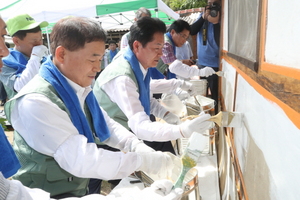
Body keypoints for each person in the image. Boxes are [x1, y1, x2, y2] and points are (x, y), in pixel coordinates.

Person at [4, 16, 181, 199]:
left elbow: (105, 122)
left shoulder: (77, 86)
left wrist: (135, 145)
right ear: (61, 54)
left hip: (75, 187)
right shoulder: (36, 101)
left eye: (101, 59)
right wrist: (141, 161)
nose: (98, 68)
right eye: (92, 59)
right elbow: (81, 159)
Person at [93, 17, 212, 157]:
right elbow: (140, 126)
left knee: (164, 152)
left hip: (127, 128)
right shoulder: (122, 78)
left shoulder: (138, 62)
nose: (161, 54)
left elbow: (145, 97)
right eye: (156, 48)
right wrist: (181, 130)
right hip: (110, 140)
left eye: (162, 48)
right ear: (137, 46)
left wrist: (167, 115)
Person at [0, 13, 49, 100]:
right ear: (16, 41)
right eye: (34, 41)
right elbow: (20, 86)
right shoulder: (5, 62)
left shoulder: (44, 58)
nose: (39, 45)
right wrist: (35, 57)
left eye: (41, 39)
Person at [191, 0, 221, 113]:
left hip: (215, 64)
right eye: (210, 3)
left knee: (215, 96)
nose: (212, 6)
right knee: (202, 95)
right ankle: (204, 117)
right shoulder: (202, 17)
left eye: (215, 3)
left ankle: (216, 117)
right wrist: (204, 16)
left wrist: (215, 20)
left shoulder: (222, 17)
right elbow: (192, 30)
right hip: (203, 63)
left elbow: (220, 38)